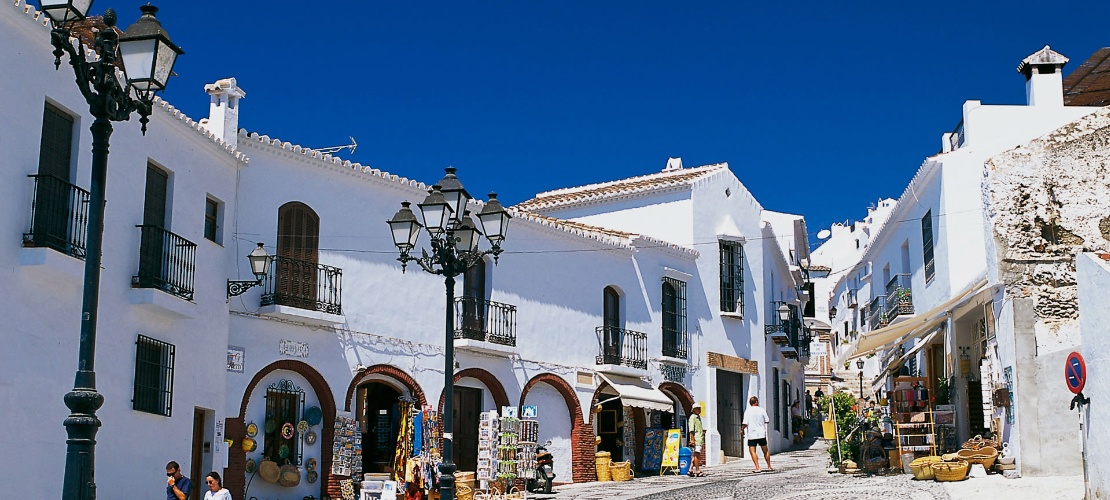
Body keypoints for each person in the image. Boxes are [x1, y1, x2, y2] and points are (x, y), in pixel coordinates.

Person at [742, 396, 772, 472]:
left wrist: (742, 430)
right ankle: (769, 466)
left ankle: (757, 467)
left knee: (752, 451)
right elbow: (767, 420)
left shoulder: (748, 411)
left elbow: (745, 423)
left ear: (750, 403)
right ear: (756, 402)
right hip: (761, 433)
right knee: (765, 450)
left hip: (752, 434)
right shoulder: (762, 410)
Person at [687, 402, 705, 477]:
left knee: (695, 455)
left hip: (700, 439)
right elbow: (691, 430)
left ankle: (690, 470)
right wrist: (692, 440)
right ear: (694, 409)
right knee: (696, 455)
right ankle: (697, 470)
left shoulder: (698, 417)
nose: (700, 410)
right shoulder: (693, 417)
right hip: (696, 439)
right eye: (698, 408)